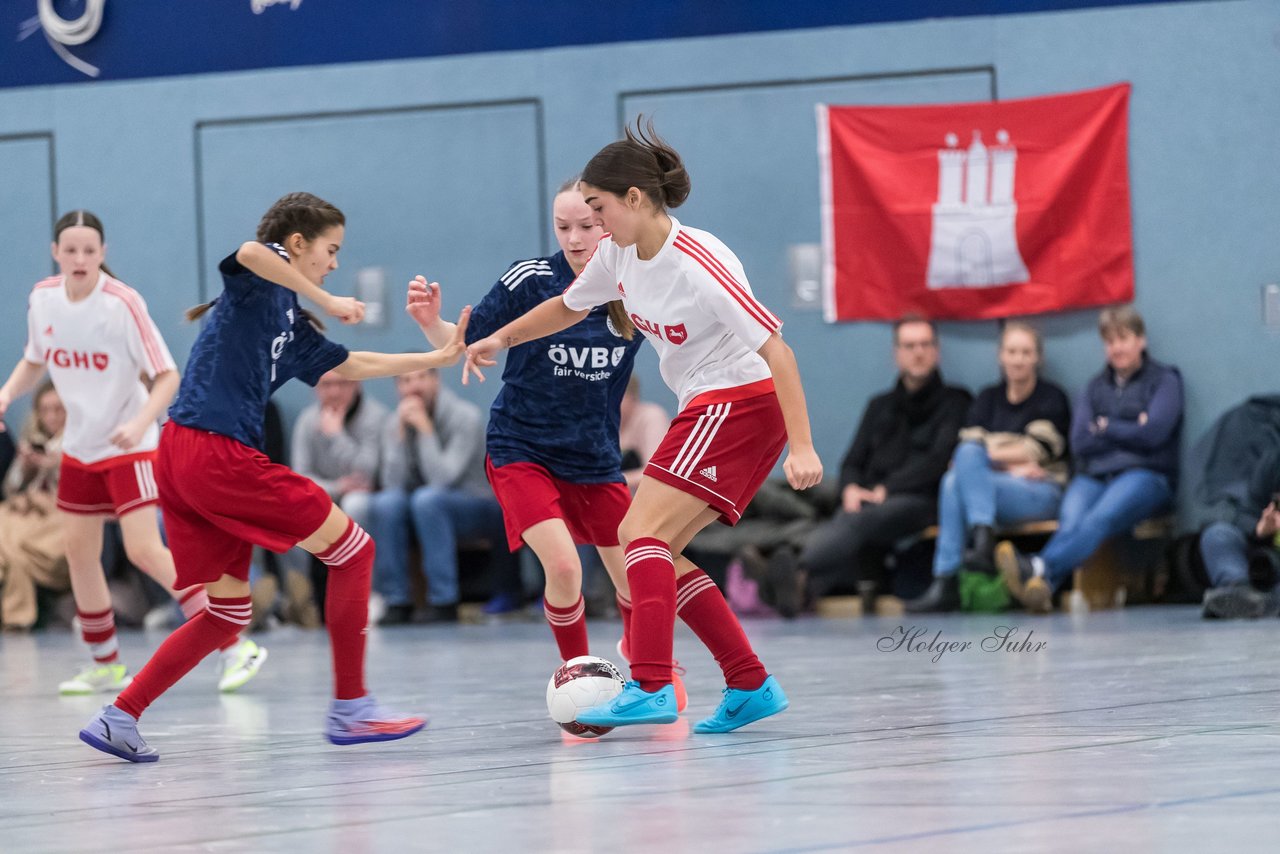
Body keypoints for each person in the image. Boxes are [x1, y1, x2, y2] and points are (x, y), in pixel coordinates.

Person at [77, 192, 471, 762]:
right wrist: (326, 297)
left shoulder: (289, 316)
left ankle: (120, 715)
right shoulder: (260, 279)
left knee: (227, 613)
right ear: (297, 244)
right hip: (215, 455)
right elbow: (249, 252)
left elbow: (347, 364)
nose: (334, 263)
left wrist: (432, 361)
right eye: (330, 250)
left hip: (183, 457)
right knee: (355, 552)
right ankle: (352, 707)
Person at [465, 120, 823, 734]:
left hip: (739, 402)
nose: (594, 226)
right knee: (661, 548)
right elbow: (565, 305)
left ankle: (651, 683)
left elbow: (778, 351)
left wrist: (803, 445)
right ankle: (749, 682)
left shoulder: (700, 262)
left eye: (599, 209)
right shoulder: (619, 254)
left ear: (634, 197)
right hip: (709, 404)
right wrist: (499, 336)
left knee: (638, 533)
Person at [0, 210, 265, 694]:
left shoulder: (122, 304)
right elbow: (35, 360)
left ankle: (233, 644)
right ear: (56, 253)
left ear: (103, 254)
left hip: (132, 444)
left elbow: (167, 375)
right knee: (79, 553)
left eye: (89, 250)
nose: (80, 258)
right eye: (71, 250)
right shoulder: (42, 299)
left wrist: (140, 422)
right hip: (81, 445)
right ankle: (104, 662)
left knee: (144, 549)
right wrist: (6, 394)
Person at [406, 179, 653, 674]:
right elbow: (465, 344)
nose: (575, 238)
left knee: (636, 578)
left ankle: (646, 668)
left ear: (611, 222)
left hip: (594, 455)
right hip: (523, 448)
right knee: (563, 567)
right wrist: (432, 323)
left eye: (587, 226)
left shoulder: (639, 284)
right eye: (563, 227)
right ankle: (577, 676)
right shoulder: (531, 279)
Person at [997, 306, 1183, 613]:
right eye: (1110, 341)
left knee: (1099, 518)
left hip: (1146, 475)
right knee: (1070, 521)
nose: (1117, 348)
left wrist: (1107, 427)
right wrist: (1132, 427)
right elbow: (1081, 442)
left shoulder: (1165, 380)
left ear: (1141, 341)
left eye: (1123, 339)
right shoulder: (1093, 388)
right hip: (1095, 475)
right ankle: (1042, 587)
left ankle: (1038, 567)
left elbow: (1154, 433)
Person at [789, 316, 970, 611]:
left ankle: (796, 566)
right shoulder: (880, 405)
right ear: (896, 353)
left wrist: (886, 489)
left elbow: (938, 461)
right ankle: (799, 585)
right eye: (909, 346)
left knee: (859, 520)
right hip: (870, 496)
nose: (918, 352)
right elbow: (852, 460)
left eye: (925, 344)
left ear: (937, 351)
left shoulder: (956, 401)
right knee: (818, 496)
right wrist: (849, 488)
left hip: (921, 501)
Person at [906, 321, 1071, 612]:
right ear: (1000, 355)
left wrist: (987, 455)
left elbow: (1038, 449)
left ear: (1037, 358)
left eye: (1025, 352)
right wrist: (1009, 462)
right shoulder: (986, 400)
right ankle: (971, 550)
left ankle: (950, 574)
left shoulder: (1051, 398)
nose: (1018, 359)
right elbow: (966, 455)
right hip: (998, 485)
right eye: (1012, 351)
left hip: (1039, 489)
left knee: (960, 475)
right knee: (954, 477)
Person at [366, 364, 506, 625]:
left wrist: (425, 432)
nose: (414, 386)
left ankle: (444, 601)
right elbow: (391, 484)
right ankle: (396, 600)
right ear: (398, 388)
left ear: (436, 381)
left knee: (427, 500)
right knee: (386, 503)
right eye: (406, 380)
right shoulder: (394, 421)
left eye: (421, 377)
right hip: (426, 507)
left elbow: (442, 479)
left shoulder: (465, 416)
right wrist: (397, 440)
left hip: (475, 505)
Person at [276, 370, 386, 626]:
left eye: (342, 383)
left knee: (355, 504)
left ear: (357, 384)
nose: (334, 392)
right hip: (327, 496)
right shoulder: (307, 421)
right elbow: (302, 477)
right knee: (285, 513)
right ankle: (301, 598)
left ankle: (368, 594)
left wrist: (337, 435)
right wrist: (336, 487)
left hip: (369, 497)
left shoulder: (375, 417)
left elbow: (367, 472)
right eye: (326, 385)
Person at [0, 382, 69, 629]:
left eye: (58, 409)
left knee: (10, 544)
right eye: (45, 410)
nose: (51, 416)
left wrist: (55, 466)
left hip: (57, 519)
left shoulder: (79, 445)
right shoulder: (32, 442)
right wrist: (27, 469)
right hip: (24, 514)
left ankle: (17, 614)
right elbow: (10, 489)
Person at [1198, 447, 1280, 618]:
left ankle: (1262, 601)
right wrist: (1260, 529)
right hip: (1266, 556)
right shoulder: (1273, 459)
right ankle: (1239, 590)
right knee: (1218, 534)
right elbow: (1245, 514)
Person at [618, 376, 670, 492]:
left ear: (632, 397)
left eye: (613, 396)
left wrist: (605, 482)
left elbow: (657, 474)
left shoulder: (652, 417)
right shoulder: (598, 423)